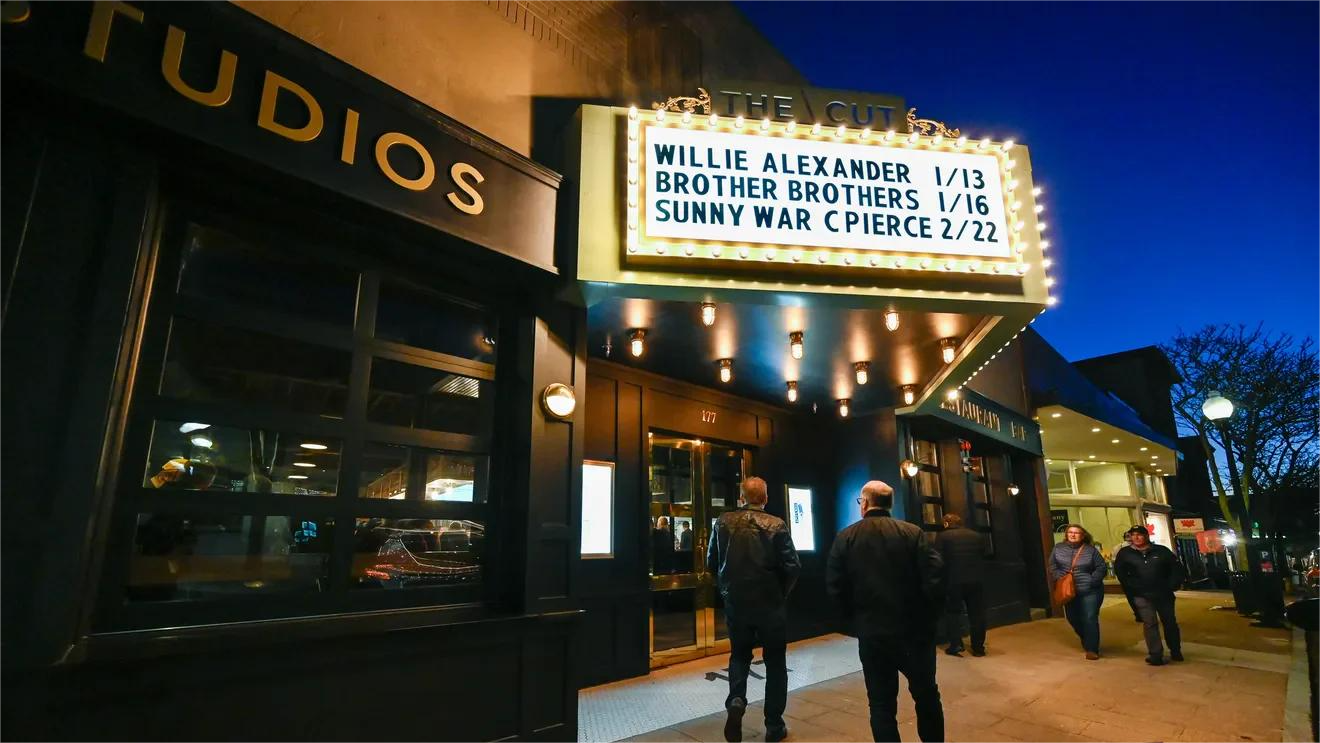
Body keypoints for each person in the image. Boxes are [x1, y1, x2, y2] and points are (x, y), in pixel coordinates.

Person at [827, 480, 945, 743]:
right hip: (914, 633)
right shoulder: (913, 533)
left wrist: (855, 622)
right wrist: (930, 618)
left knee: (881, 704)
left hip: (873, 634)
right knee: (926, 695)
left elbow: (835, 587)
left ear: (865, 503)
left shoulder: (846, 537)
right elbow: (935, 579)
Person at [706, 476, 800, 743]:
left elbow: (712, 561)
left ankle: (736, 699)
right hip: (770, 605)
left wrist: (726, 590)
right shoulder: (776, 525)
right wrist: (780, 593)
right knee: (775, 663)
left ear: (741, 498)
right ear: (766, 498)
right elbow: (793, 567)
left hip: (737, 604)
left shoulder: (723, 523)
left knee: (739, 656)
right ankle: (773, 725)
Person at [1114, 525, 1185, 665]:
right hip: (1141, 594)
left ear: (1146, 536)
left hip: (1163, 593)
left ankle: (1175, 650)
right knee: (1150, 623)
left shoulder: (1161, 551)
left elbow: (1176, 568)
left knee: (1169, 622)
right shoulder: (1125, 553)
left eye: (1139, 534)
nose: (1136, 537)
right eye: (1133, 535)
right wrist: (1132, 587)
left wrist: (1172, 585)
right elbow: (1121, 573)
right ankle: (1155, 654)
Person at [1050, 524, 1107, 660]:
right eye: (1070, 532)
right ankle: (1087, 638)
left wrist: (1093, 581)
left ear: (1083, 536)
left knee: (1090, 618)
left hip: (1090, 591)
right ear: (1066, 534)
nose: (1073, 535)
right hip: (1068, 590)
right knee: (1072, 618)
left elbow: (1101, 567)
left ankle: (1092, 649)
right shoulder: (1058, 548)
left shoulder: (1090, 550)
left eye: (1077, 533)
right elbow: (1052, 565)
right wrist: (1059, 576)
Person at [938, 514, 987, 657]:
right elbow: (982, 554)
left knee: (953, 613)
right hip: (976, 580)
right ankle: (978, 647)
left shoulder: (943, 537)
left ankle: (956, 644)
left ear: (946, 523)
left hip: (953, 580)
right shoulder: (976, 536)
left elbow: (937, 558)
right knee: (977, 614)